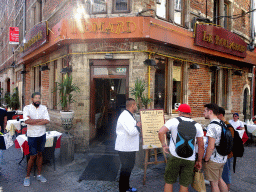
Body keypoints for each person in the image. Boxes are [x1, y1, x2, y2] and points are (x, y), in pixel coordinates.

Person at [158, 104, 204, 192]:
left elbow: (161, 132)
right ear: (189, 113)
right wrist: (199, 160)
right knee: (184, 184)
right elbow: (201, 145)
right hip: (190, 158)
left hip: (174, 156)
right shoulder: (197, 125)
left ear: (180, 112)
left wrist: (164, 145)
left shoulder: (173, 121)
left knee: (169, 181)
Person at [23, 92, 50, 187]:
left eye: (39, 98)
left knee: (40, 154)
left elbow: (47, 120)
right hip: (32, 136)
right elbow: (26, 121)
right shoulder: (27, 108)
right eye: (36, 98)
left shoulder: (44, 108)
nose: (38, 100)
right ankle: (27, 177)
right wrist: (40, 120)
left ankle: (39, 174)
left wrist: (33, 121)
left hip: (42, 135)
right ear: (32, 99)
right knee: (32, 156)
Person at [115, 98, 141, 192]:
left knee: (128, 168)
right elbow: (132, 131)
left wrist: (137, 125)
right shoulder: (125, 116)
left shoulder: (129, 115)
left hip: (129, 147)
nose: (136, 107)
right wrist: (138, 126)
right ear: (132, 105)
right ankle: (122, 189)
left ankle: (127, 187)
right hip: (125, 147)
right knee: (125, 169)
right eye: (136, 105)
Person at [203, 103, 228, 192]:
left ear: (210, 112)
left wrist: (206, 159)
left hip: (214, 159)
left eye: (205, 111)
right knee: (219, 179)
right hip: (222, 157)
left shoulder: (212, 126)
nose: (203, 113)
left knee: (214, 184)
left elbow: (211, 146)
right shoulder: (222, 123)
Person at [217, 107, 235, 191]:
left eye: (215, 115)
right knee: (221, 176)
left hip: (226, 155)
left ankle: (226, 190)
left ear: (220, 115)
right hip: (222, 154)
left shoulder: (228, 127)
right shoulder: (222, 125)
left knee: (225, 176)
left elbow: (229, 143)